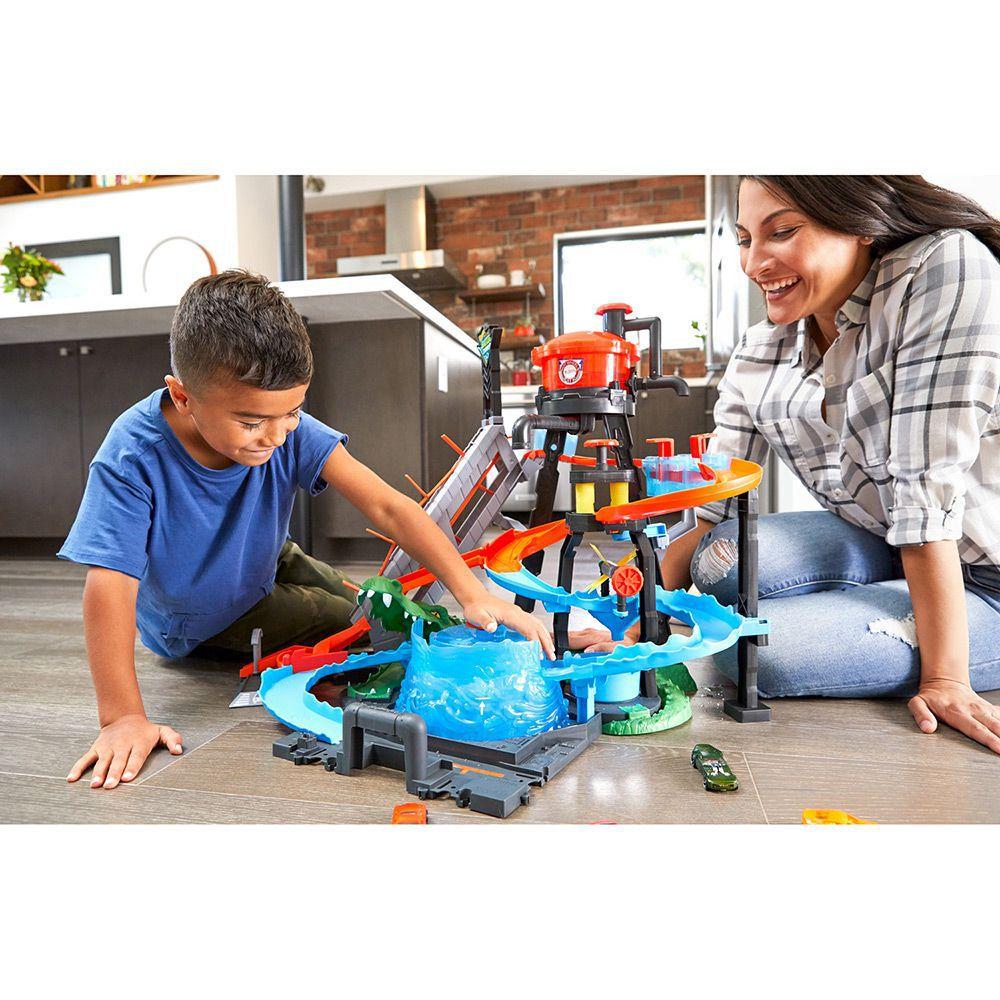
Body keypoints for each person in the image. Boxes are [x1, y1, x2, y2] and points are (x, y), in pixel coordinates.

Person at [61, 270, 554, 790]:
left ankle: (487, 630)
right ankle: (463, 637)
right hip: (202, 613)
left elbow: (388, 506)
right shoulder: (132, 455)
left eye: (292, 413)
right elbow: (109, 585)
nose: (276, 436)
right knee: (358, 626)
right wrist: (122, 717)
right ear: (182, 397)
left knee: (372, 603)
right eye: (252, 423)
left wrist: (474, 594)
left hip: (265, 557)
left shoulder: (277, 421)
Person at [573, 176, 1000, 755]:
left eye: (783, 231)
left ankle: (937, 626)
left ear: (857, 219)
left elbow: (923, 494)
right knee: (718, 557)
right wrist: (622, 616)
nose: (755, 263)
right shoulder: (760, 350)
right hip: (880, 540)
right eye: (745, 239)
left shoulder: (942, 268)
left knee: (748, 652)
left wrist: (945, 679)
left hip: (986, 571)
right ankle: (882, 601)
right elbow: (709, 512)